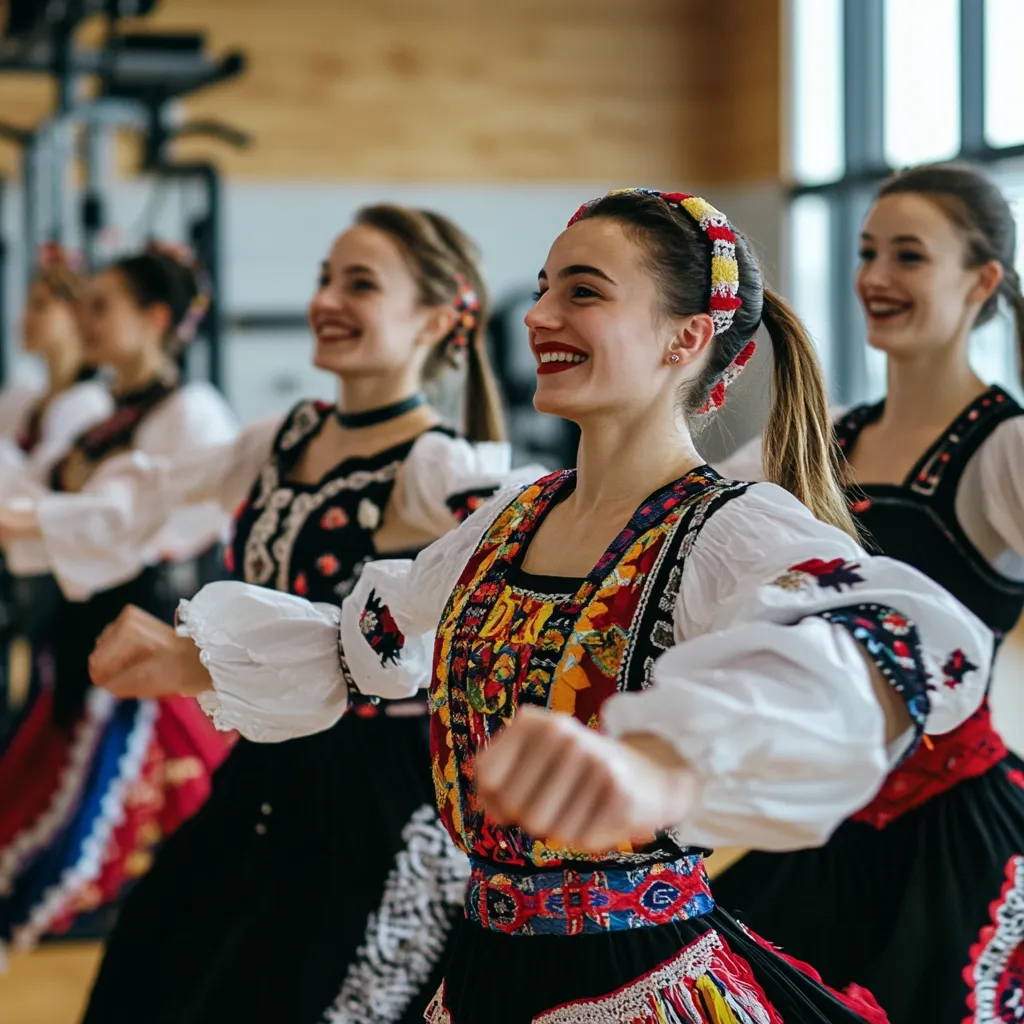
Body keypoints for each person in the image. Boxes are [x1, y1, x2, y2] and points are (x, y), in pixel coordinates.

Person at [92, 189, 994, 1023]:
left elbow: (883, 634)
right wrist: (192, 658)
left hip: (638, 981)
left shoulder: (730, 528)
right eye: (542, 289)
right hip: (483, 969)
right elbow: (366, 641)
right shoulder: (511, 516)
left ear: (686, 339)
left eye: (584, 292)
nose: (537, 316)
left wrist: (667, 762)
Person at [75, 205, 543, 1024]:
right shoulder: (281, 436)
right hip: (260, 780)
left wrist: (199, 660)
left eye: (360, 283)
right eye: (326, 277)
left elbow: (522, 548)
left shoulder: (438, 466)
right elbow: (144, 496)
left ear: (438, 320)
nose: (326, 298)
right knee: (146, 982)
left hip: (375, 802)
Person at [713, 162, 1024, 1023]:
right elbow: (692, 514)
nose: (875, 279)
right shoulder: (824, 437)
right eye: (865, 251)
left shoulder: (1005, 445)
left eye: (909, 256)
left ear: (981, 281)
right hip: (827, 811)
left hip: (950, 828)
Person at [0, 245, 238, 957]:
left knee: (65, 853)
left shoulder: (190, 413)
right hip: (86, 641)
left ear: (154, 318)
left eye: (100, 306)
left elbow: (120, 527)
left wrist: (32, 517)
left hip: (151, 654)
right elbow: (42, 505)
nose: (83, 319)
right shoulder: (106, 413)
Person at [0, 244, 112, 723]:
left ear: (76, 314)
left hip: (55, 577)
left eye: (41, 305)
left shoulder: (90, 405)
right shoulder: (27, 396)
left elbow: (37, 494)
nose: (25, 318)